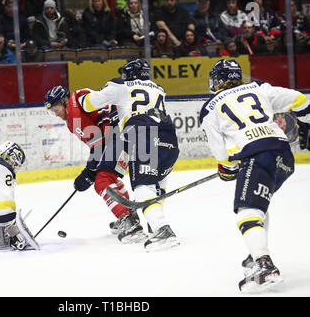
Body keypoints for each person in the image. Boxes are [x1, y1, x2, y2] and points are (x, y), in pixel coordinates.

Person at [200, 58, 310, 292]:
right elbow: (300, 100)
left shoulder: (210, 107)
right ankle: (256, 253)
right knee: (258, 206)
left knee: (247, 210)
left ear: (218, 80)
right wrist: (306, 123)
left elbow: (219, 151)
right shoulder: (260, 88)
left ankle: (263, 263)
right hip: (284, 156)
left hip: (256, 155)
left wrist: (225, 167)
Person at [78, 59, 181, 251]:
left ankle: (163, 230)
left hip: (143, 133)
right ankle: (155, 220)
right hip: (169, 134)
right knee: (157, 181)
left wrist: (84, 97)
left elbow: (88, 103)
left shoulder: (119, 85)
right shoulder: (159, 89)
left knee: (143, 185)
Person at [43, 85, 146, 243]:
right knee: (109, 177)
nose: (56, 114)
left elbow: (99, 145)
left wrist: (88, 173)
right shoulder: (77, 101)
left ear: (64, 101)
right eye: (52, 112)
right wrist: (90, 170)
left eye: (56, 109)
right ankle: (128, 213)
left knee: (101, 182)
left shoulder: (74, 110)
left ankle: (129, 222)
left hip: (120, 136)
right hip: (127, 135)